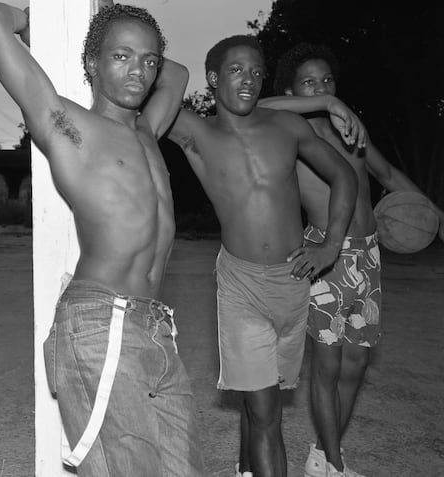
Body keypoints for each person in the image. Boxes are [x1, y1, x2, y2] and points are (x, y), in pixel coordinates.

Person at [0, 2, 205, 476]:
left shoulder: (148, 130)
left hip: (154, 325)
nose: (139, 71)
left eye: (147, 61)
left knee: (186, 468)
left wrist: (114, 24)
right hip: (101, 321)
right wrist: (59, 25)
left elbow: (178, 72)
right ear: (91, 64)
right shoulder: (70, 127)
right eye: (120, 57)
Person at [166, 35, 358, 477]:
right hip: (241, 285)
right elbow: (150, 86)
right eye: (235, 70)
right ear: (212, 79)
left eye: (256, 71)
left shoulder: (286, 128)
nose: (248, 80)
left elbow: (343, 174)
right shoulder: (196, 131)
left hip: (294, 282)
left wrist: (331, 243)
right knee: (268, 411)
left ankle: (244, 469)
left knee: (262, 397)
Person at [265, 42, 444, 477]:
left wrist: (432, 212)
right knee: (326, 366)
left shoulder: (351, 130)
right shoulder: (291, 130)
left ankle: (324, 455)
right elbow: (255, 104)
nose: (322, 87)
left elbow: (385, 176)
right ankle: (337, 465)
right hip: (326, 256)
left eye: (327, 80)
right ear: (293, 91)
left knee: (357, 363)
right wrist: (322, 101)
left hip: (367, 257)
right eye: (309, 82)